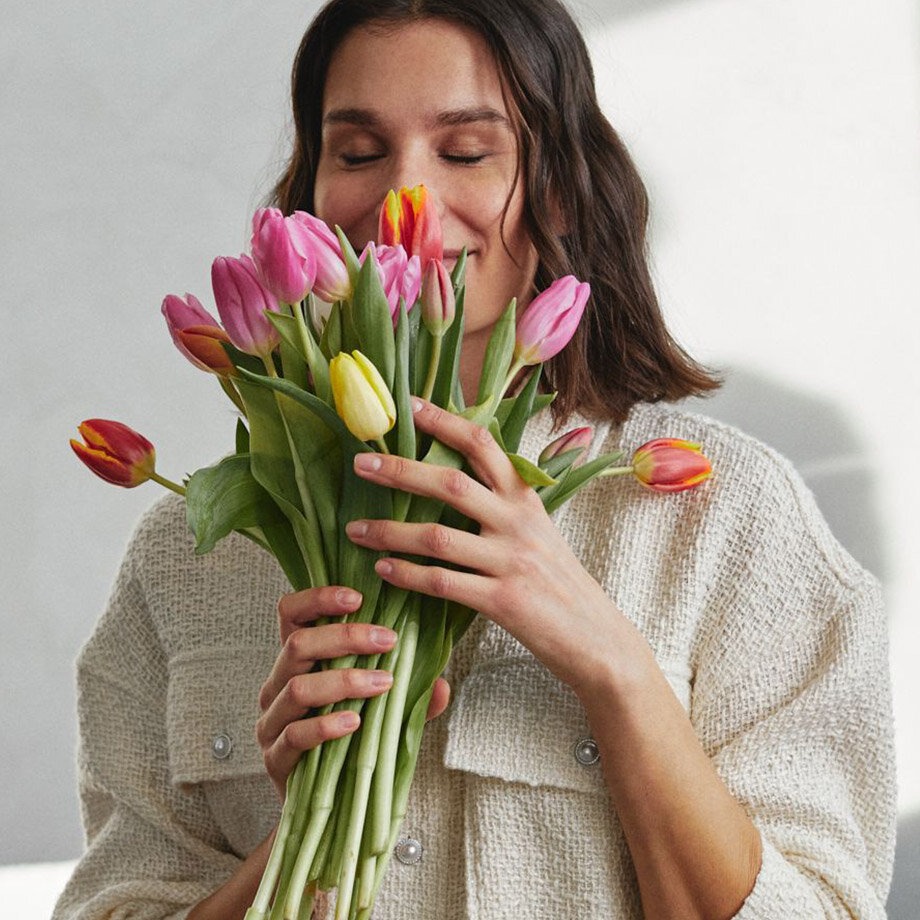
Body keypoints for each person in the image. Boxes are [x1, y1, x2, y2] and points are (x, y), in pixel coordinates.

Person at [54, 1, 896, 918]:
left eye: (466, 152)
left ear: (562, 188)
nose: (399, 200)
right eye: (359, 153)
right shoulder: (187, 553)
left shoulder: (730, 522)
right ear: (310, 196)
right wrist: (309, 831)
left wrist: (612, 664)